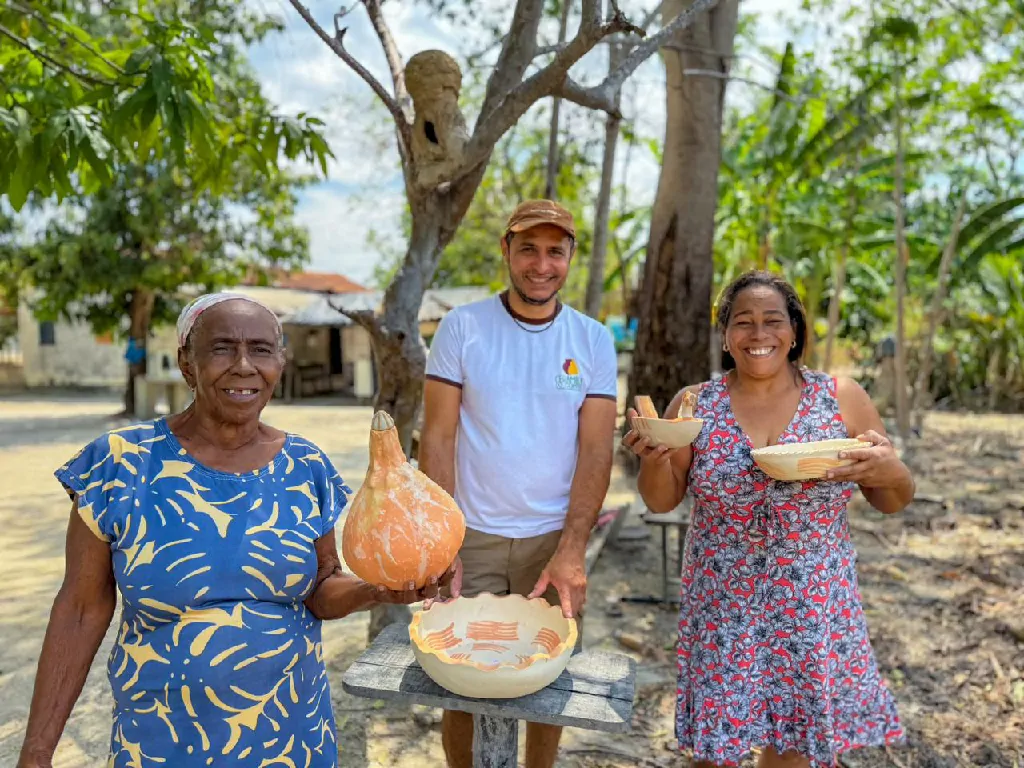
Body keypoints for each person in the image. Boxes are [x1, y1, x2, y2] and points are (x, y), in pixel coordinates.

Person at [17, 293, 455, 768]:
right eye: (222, 348)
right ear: (187, 363)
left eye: (261, 350)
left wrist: (378, 590)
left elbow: (319, 589)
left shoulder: (305, 466)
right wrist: (37, 753)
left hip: (291, 740)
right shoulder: (120, 463)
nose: (244, 365)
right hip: (161, 743)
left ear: (280, 363)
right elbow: (80, 610)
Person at [623, 270, 914, 768]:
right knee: (716, 748)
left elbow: (892, 499)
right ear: (725, 335)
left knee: (794, 744)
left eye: (773, 320)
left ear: (795, 331)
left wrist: (892, 470)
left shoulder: (841, 397)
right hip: (723, 601)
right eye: (743, 321)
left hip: (812, 601)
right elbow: (662, 500)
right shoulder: (696, 404)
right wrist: (653, 459)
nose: (758, 333)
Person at [420, 199, 618, 768]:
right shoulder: (462, 328)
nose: (541, 264)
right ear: (506, 249)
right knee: (458, 679)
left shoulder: (592, 340)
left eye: (555, 251)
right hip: (472, 536)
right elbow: (438, 438)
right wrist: (444, 544)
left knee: (547, 680)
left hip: (553, 542)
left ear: (570, 257)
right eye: (528, 248)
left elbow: (596, 449)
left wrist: (573, 549)